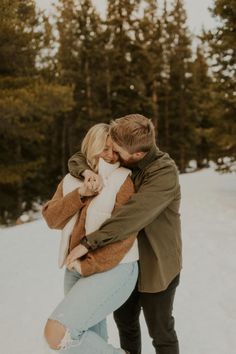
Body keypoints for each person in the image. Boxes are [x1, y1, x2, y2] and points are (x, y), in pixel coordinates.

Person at [68, 114, 182, 354]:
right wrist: (86, 173)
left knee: (161, 333)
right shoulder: (125, 152)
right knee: (126, 327)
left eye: (116, 151)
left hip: (156, 266)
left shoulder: (164, 173)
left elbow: (131, 216)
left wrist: (89, 243)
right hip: (124, 264)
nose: (111, 156)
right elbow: (83, 155)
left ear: (137, 154)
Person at [42, 123, 139, 354]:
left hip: (116, 268)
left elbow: (124, 235)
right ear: (91, 146)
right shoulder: (71, 180)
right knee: (88, 339)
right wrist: (80, 194)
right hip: (75, 270)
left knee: (58, 334)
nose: (112, 156)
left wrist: (89, 265)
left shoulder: (123, 179)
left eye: (115, 150)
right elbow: (51, 218)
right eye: (105, 149)